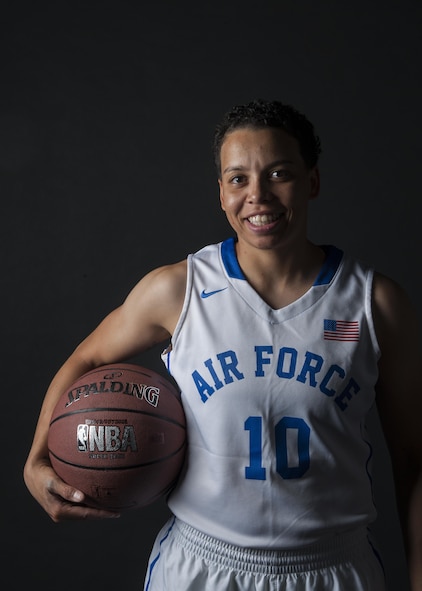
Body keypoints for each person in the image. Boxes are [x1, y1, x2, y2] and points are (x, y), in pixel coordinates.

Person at [24, 99, 422, 591]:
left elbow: (413, 458)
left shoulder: (374, 302)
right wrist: (37, 458)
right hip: (203, 566)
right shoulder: (179, 290)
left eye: (279, 174)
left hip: (332, 568)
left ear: (312, 181)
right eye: (238, 179)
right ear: (221, 193)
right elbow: (87, 358)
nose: (258, 195)